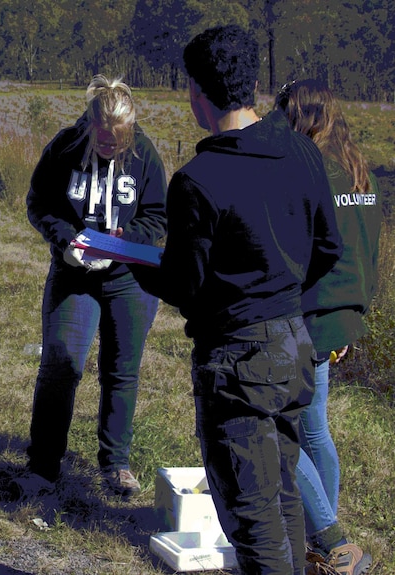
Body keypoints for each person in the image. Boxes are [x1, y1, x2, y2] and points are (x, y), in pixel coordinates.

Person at [128, 26, 342, 573]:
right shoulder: (301, 150)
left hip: (237, 362)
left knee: (254, 522)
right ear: (251, 83)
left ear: (196, 92)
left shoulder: (199, 180)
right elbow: (328, 248)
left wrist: (133, 258)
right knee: (284, 498)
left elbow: (183, 286)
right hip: (295, 346)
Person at [20, 75, 167, 498]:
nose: (112, 146)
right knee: (61, 365)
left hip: (129, 280)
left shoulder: (144, 154)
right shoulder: (64, 147)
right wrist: (66, 241)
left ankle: (115, 464)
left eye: (119, 140)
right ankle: (44, 465)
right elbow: (40, 203)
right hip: (74, 274)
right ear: (90, 123)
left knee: (121, 371)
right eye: (104, 139)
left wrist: (129, 237)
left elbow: (159, 215)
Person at [276, 79, 380, 575]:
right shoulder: (361, 175)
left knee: (282, 427)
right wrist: (350, 318)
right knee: (315, 426)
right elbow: (368, 251)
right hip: (344, 311)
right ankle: (326, 539)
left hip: (313, 313)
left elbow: (303, 253)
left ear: (301, 116)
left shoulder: (311, 171)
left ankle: (332, 542)